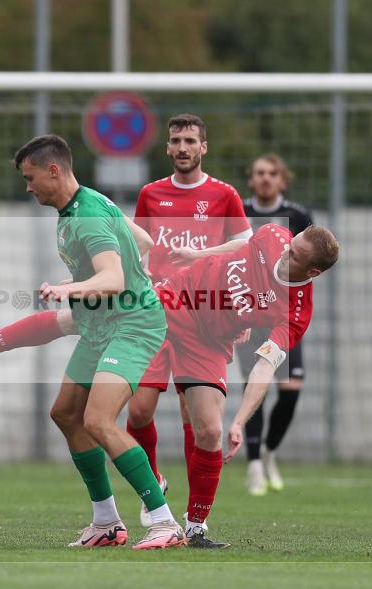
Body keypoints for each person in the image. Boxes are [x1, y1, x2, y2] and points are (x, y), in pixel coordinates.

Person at [0, 220, 340, 549]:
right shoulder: (273, 236)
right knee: (117, 382)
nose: (286, 250)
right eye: (291, 243)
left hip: (210, 342)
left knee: (212, 430)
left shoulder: (297, 311)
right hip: (171, 303)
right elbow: (238, 249)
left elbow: (266, 365)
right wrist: (198, 256)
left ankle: (194, 527)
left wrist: (241, 420)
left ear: (313, 272)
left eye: (296, 254)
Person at [0, 134, 185, 550]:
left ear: (54, 170)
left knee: (98, 421)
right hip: (103, 322)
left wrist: (74, 287)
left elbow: (116, 279)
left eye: (31, 178)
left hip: (133, 324)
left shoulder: (84, 216)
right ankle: (106, 522)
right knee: (66, 413)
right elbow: (142, 243)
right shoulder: (87, 205)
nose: (28, 188)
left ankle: (164, 522)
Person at [129, 113, 252, 529]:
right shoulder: (151, 194)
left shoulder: (223, 195)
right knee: (139, 411)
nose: (182, 147)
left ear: (204, 148)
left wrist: (241, 305)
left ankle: (195, 519)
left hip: (203, 317)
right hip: (157, 312)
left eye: (190, 141)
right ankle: (155, 481)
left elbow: (244, 248)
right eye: (176, 140)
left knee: (195, 418)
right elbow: (139, 246)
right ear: (167, 148)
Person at [235, 153, 314, 495]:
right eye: (259, 173)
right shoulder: (239, 211)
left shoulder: (298, 216)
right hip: (250, 316)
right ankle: (253, 465)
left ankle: (268, 452)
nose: (265, 178)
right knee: (257, 383)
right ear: (251, 180)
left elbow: (309, 265)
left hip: (283, 317)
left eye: (271, 173)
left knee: (291, 388)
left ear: (282, 180)